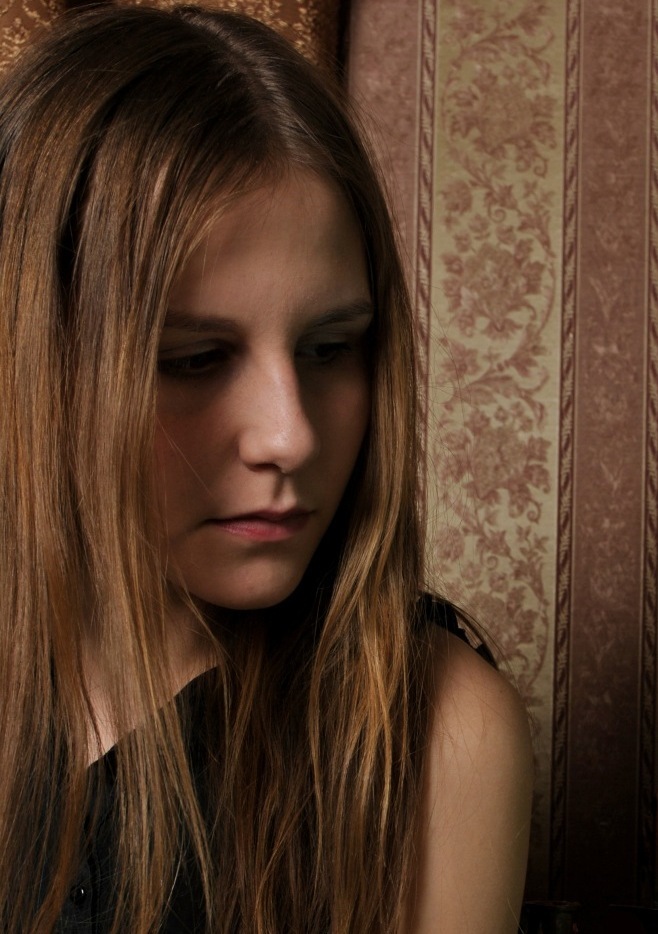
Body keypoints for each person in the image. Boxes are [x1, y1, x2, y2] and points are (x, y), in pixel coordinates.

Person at [0, 6, 533, 932]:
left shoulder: (435, 731)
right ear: (31, 364)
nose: (290, 437)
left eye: (330, 348)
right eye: (195, 360)